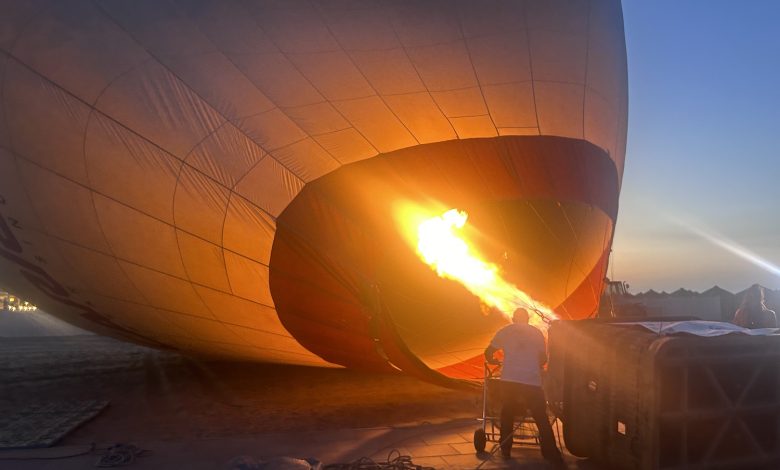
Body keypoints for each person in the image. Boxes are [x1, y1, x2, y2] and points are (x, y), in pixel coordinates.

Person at [484, 307, 564, 466]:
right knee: (541, 417)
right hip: (531, 381)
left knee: (507, 412)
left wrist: (494, 361)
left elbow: (488, 352)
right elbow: (542, 359)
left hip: (509, 380)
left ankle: (506, 449)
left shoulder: (505, 331)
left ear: (514, 319)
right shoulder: (536, 333)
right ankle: (551, 453)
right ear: (527, 319)